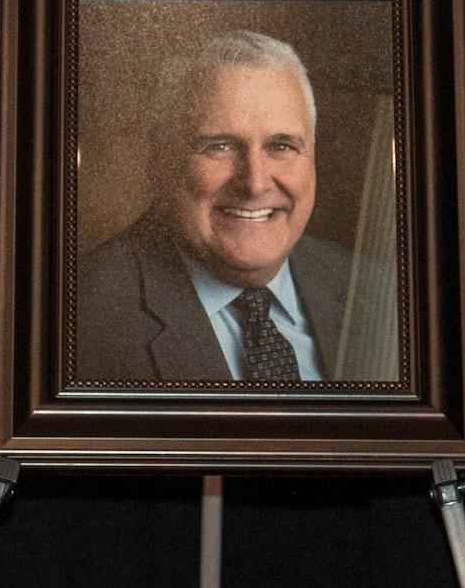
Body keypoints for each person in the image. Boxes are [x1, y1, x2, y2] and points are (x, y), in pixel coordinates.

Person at [75, 30, 351, 383]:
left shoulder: (369, 288)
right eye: (219, 147)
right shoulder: (80, 319)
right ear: (160, 160)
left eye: (281, 146)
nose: (254, 183)